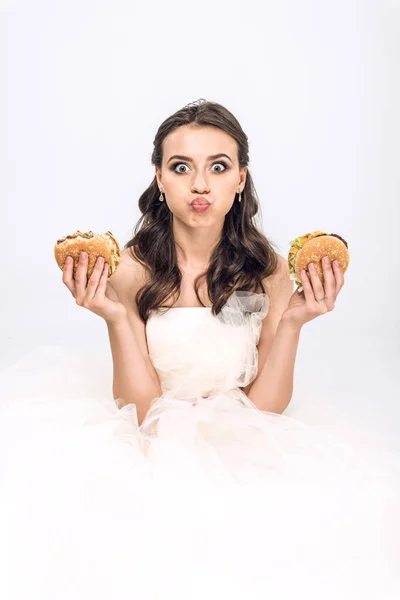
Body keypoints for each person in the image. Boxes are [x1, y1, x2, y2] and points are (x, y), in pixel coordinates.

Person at [0, 99, 399, 600]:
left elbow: (267, 408)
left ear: (241, 180)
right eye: (181, 167)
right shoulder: (127, 270)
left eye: (219, 166)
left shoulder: (272, 272)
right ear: (160, 181)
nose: (201, 185)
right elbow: (138, 410)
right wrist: (119, 318)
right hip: (147, 449)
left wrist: (295, 321)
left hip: (245, 445)